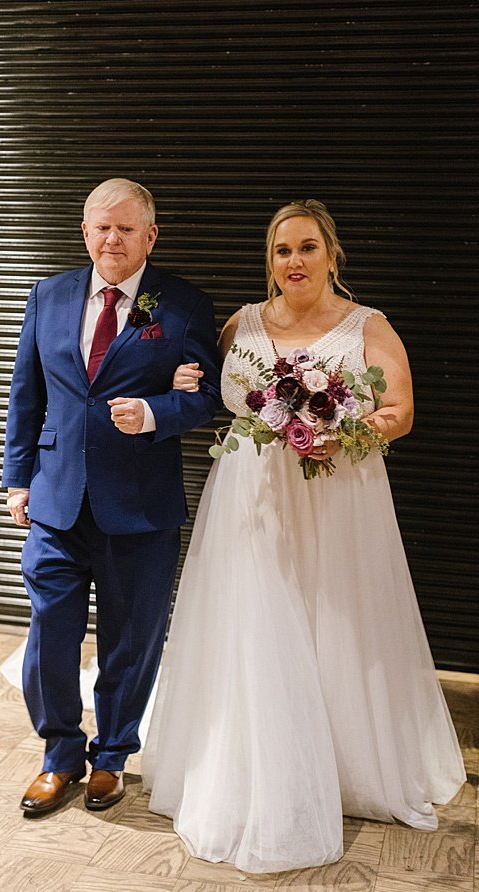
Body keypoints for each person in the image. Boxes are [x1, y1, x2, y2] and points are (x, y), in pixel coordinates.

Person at [143, 200, 466, 872]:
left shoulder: (367, 326)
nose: (295, 261)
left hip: (339, 495)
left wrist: (338, 432)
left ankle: (347, 763)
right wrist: (181, 378)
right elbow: (204, 392)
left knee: (338, 621)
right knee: (259, 626)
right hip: (249, 497)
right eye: (283, 250)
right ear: (271, 260)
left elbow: (400, 412)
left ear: (331, 254)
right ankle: (264, 766)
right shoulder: (239, 324)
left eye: (308, 248)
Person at [2, 178, 222, 816]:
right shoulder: (49, 295)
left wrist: (154, 413)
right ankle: (60, 754)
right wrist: (18, 479)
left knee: (132, 638)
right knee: (50, 630)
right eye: (101, 227)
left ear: (150, 236)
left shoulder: (183, 306)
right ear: (84, 230)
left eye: (126, 228)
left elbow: (206, 397)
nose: (111, 239)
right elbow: (28, 392)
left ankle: (112, 756)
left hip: (140, 505)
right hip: (56, 498)